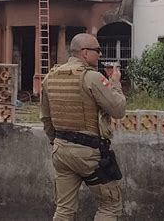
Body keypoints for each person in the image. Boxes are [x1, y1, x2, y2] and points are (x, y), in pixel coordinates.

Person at [41, 33, 127, 221]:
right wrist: (115, 83)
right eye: (97, 50)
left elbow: (46, 119)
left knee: (64, 209)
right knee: (111, 205)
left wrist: (55, 142)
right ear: (85, 52)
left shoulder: (50, 78)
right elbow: (118, 109)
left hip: (61, 151)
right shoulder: (93, 78)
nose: (101, 55)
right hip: (89, 154)